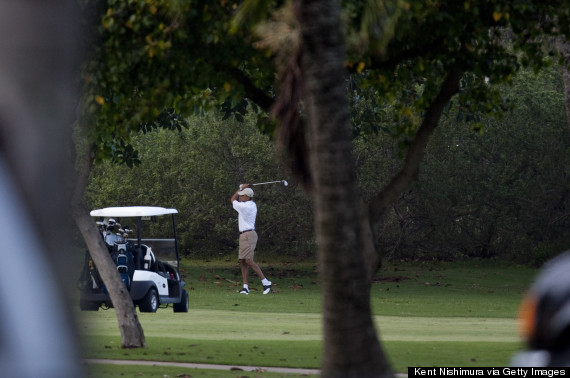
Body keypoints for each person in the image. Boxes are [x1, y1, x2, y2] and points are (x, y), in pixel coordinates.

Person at [230, 184, 272, 295]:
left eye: (242, 195)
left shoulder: (245, 206)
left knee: (248, 260)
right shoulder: (251, 204)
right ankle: (245, 287)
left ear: (247, 197)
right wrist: (242, 189)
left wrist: (240, 188)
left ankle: (266, 282)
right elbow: (236, 199)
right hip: (245, 235)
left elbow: (232, 199)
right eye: (240, 195)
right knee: (243, 261)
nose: (240, 196)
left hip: (248, 235)